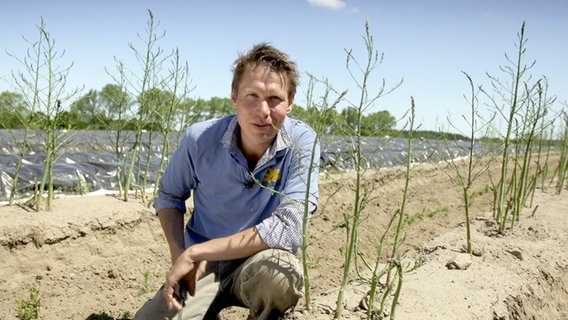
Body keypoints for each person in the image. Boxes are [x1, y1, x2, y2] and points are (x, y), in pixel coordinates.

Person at [133, 43, 319, 320]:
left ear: (290, 103)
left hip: (261, 259)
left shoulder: (302, 143)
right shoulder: (199, 138)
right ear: (234, 97)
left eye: (274, 99)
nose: (263, 110)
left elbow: (289, 227)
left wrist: (196, 251)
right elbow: (169, 195)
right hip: (205, 266)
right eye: (251, 96)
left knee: (282, 274)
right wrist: (180, 256)